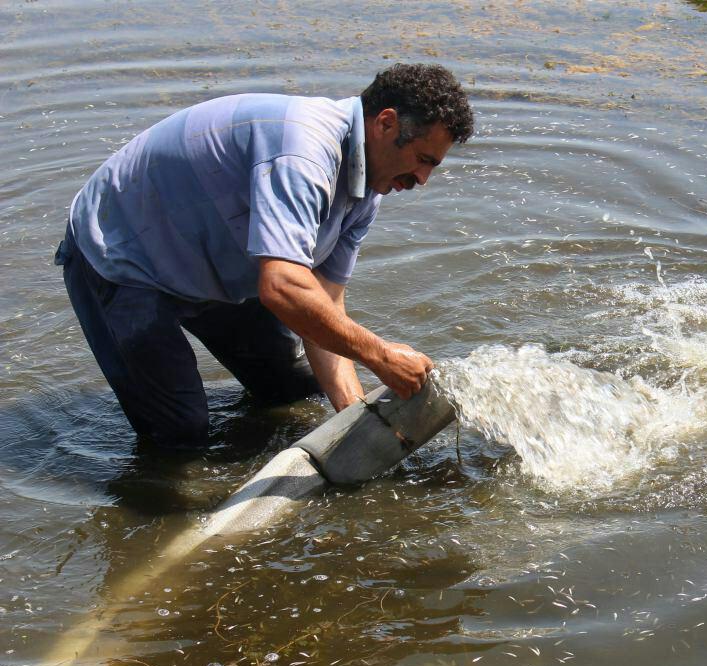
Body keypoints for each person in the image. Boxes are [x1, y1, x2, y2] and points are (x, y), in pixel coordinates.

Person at [55, 63, 474, 449]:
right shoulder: (303, 153)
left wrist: (354, 416)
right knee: (181, 432)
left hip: (213, 261)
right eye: (422, 160)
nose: (422, 180)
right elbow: (281, 288)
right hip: (124, 258)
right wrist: (381, 355)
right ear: (386, 123)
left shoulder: (370, 183)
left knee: (292, 392)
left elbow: (324, 303)